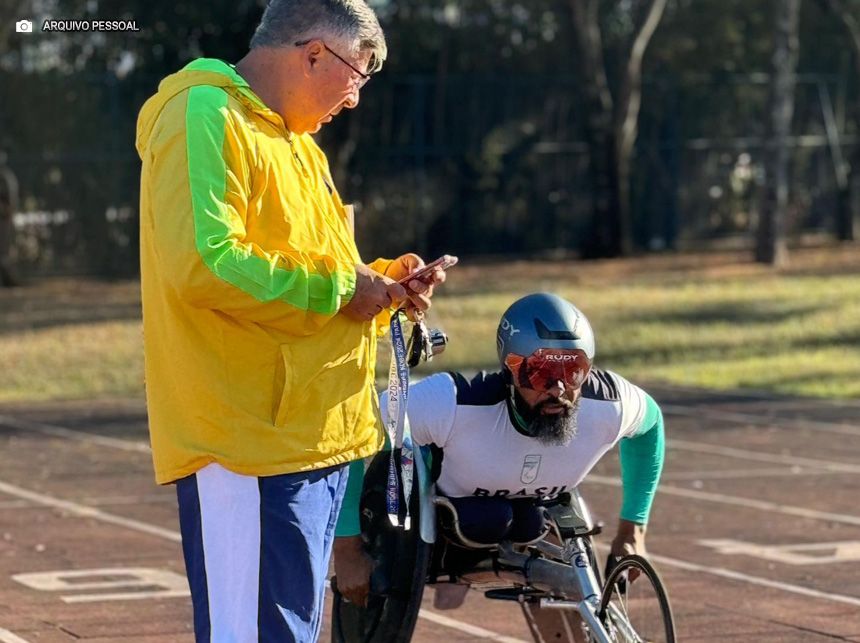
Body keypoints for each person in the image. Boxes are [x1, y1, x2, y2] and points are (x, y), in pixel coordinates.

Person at [134, 1, 448, 641]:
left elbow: (319, 274)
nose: (354, 98)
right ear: (312, 54)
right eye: (357, 76)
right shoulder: (205, 113)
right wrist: (345, 288)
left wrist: (384, 285)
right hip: (248, 446)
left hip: (309, 440)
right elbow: (207, 263)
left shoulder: (298, 144)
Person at [334, 292, 665, 640]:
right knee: (488, 520)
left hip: (537, 510)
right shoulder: (452, 402)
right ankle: (456, 576)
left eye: (573, 371)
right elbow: (352, 434)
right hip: (451, 514)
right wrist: (348, 548)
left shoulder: (611, 404)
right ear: (511, 368)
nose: (558, 389)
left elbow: (651, 424)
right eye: (540, 372)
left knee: (523, 521)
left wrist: (633, 532)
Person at [0, 150, 19, 288]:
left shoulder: (5, 178)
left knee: (3, 251)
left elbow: (10, 203)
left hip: (3, 220)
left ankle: (7, 281)